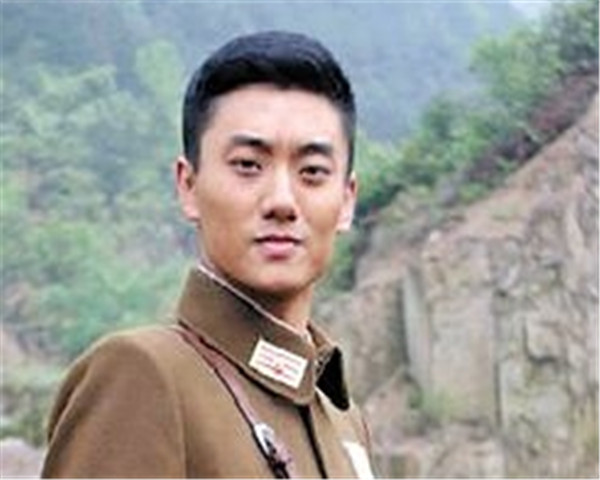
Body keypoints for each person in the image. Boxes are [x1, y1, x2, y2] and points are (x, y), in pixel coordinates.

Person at [42, 30, 374, 478]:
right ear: (189, 186)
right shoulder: (145, 375)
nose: (282, 201)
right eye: (248, 166)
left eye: (312, 171)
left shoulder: (341, 418)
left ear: (347, 200)